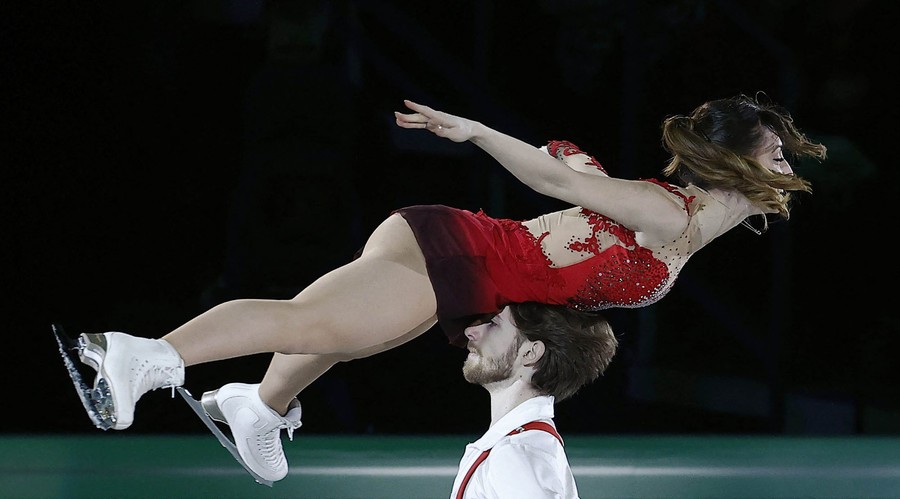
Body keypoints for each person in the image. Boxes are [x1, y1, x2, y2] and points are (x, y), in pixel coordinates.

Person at [63, 93, 826, 484]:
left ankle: (255, 408)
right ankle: (143, 357)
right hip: (460, 255)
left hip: (465, 266)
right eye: (777, 154)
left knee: (339, 334)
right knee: (316, 325)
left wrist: (578, 170)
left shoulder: (675, 219)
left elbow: (578, 174)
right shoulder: (666, 211)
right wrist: (481, 133)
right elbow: (556, 173)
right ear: (732, 165)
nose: (789, 167)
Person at [449, 302, 616, 499]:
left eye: (493, 323)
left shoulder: (516, 452)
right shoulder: (517, 446)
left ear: (530, 353)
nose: (470, 331)